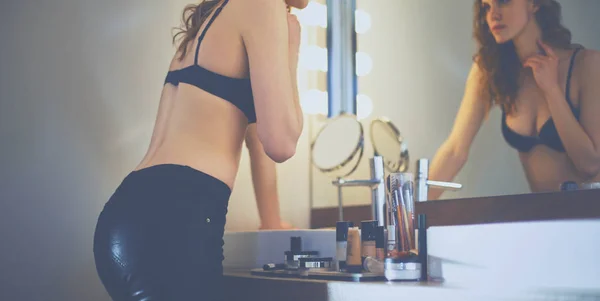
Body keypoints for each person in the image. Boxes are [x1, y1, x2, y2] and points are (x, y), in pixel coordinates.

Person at [92, 0, 308, 300]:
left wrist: (271, 221)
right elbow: (281, 142)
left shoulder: (213, 19)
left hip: (125, 218)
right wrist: (292, 52)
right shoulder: (263, 4)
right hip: (176, 218)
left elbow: (257, 135)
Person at [428, 0, 600, 199]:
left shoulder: (587, 65)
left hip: (591, 219)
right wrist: (413, 212)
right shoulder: (491, 70)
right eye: (487, 7)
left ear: (534, 4)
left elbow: (590, 165)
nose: (493, 15)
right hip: (541, 219)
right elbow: (455, 150)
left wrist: (552, 90)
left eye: (503, 2)